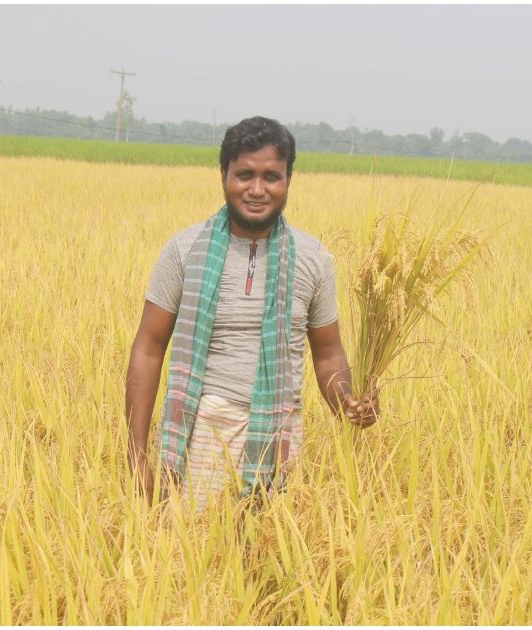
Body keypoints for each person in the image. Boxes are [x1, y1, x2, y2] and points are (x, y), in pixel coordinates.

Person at [125, 116, 377, 509]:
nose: (257, 189)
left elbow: (328, 354)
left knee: (266, 558)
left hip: (279, 433)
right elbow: (148, 348)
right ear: (224, 175)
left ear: (288, 181)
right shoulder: (184, 250)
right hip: (200, 435)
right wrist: (137, 455)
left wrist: (349, 402)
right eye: (244, 174)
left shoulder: (314, 259)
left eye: (271, 177)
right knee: (191, 557)